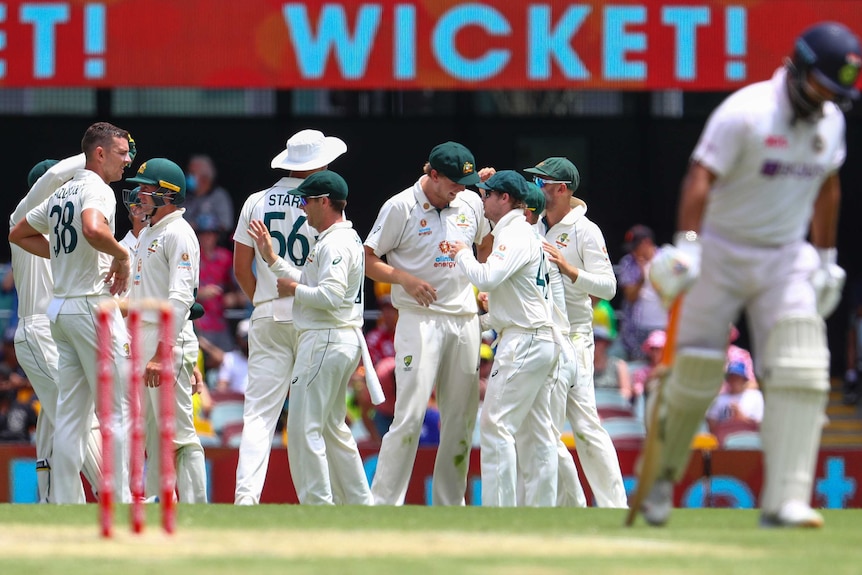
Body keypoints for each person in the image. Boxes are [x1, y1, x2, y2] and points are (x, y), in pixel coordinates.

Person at [640, 21, 861, 528]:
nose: (827, 99)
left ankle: (787, 499)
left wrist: (825, 258)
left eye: (836, 93)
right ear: (800, 68)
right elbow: (701, 175)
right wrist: (689, 246)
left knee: (803, 365)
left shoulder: (830, 121)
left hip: (785, 255)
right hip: (720, 250)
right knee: (695, 371)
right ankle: (659, 482)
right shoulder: (747, 111)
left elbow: (829, 187)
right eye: (822, 86)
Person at [9, 122, 133, 504]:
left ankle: (61, 501)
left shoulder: (54, 207)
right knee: (111, 412)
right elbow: (93, 227)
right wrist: (122, 255)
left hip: (57, 315)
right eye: (122, 153)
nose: (127, 160)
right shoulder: (86, 191)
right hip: (63, 318)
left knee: (67, 416)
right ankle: (118, 497)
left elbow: (21, 234)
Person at [364, 141, 492, 506]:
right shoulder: (400, 206)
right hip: (420, 319)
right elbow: (368, 258)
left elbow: (485, 243)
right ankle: (384, 503)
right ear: (432, 175)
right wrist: (404, 279)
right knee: (410, 414)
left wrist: (481, 284)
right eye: (454, 181)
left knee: (462, 419)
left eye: (466, 181)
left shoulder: (468, 201)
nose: (461, 188)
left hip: (465, 318)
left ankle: (451, 504)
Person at [232, 128, 346, 505]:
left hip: (268, 313)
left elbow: (241, 267)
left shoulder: (255, 201)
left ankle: (245, 500)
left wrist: (263, 302)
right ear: (320, 164)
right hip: (314, 315)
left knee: (259, 415)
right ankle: (327, 502)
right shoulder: (327, 202)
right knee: (321, 419)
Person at [248, 170, 373, 505]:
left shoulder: (335, 243)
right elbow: (309, 279)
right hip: (335, 339)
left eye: (306, 201)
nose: (302, 208)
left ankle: (318, 505)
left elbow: (329, 296)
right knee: (333, 428)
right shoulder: (338, 239)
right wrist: (273, 260)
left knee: (304, 429)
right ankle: (361, 504)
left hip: (325, 340)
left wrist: (295, 290)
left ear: (323, 202)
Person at [447, 170, 559, 507]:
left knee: (495, 424)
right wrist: (483, 321)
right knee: (538, 433)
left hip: (524, 342)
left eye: (487, 194)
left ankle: (498, 511)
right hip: (536, 337)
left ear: (505, 198)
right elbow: (519, 298)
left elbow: (488, 277)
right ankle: (542, 512)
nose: (482, 200)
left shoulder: (513, 234)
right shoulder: (526, 234)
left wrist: (462, 252)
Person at [530, 156, 628, 508]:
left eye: (542, 182)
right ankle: (568, 506)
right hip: (542, 336)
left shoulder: (586, 230)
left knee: (585, 425)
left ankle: (615, 506)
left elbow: (609, 288)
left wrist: (571, 271)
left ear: (562, 189)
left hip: (576, 338)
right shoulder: (534, 225)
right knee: (545, 427)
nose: (536, 188)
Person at [125, 158, 209, 503]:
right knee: (152, 435)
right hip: (144, 340)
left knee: (179, 434)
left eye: (147, 188)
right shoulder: (148, 232)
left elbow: (180, 299)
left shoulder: (179, 233)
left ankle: (196, 509)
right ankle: (167, 505)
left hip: (166, 343)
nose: (140, 194)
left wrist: (163, 352)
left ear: (168, 194)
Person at [617, 225, 667, 361]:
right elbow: (630, 296)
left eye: (635, 247)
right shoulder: (627, 262)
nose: (633, 252)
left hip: (664, 326)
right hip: (636, 329)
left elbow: (675, 293)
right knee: (638, 367)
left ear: (647, 242)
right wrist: (642, 277)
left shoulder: (667, 260)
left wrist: (653, 276)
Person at [195, 213, 242, 352]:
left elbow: (241, 290)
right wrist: (201, 293)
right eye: (203, 233)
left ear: (217, 235)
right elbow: (176, 289)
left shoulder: (226, 257)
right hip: (198, 323)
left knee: (227, 360)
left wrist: (234, 298)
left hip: (221, 322)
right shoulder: (191, 255)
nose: (208, 237)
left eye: (212, 232)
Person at [706, 361, 764, 438]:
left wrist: (742, 417)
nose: (734, 381)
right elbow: (711, 426)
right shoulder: (719, 400)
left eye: (737, 378)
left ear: (744, 380)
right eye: (732, 378)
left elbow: (761, 425)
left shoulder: (755, 396)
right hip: (725, 441)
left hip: (749, 440)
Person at [183, 154, 234, 233]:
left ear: (205, 177)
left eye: (192, 173)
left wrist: (207, 225)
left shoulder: (219, 197)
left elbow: (226, 224)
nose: (188, 176)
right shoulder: (186, 198)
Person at [216, 319, 250, 395]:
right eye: (246, 338)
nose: (249, 342)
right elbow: (222, 386)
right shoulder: (229, 358)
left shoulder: (266, 360)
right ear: (238, 338)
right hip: (237, 403)